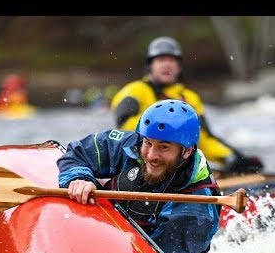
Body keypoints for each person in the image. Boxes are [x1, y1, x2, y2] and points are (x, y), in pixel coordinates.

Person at [57, 99, 221, 253]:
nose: (151, 155)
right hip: (110, 224)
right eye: (148, 143)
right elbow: (77, 152)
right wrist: (80, 178)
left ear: (187, 151)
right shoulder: (135, 143)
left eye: (163, 147)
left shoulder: (195, 211)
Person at [110, 36, 263, 174]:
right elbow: (125, 130)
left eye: (172, 60)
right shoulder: (133, 91)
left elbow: (203, 138)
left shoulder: (189, 97)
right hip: (142, 164)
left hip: (175, 165)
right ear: (150, 65)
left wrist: (233, 158)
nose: (167, 65)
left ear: (179, 67)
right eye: (161, 60)